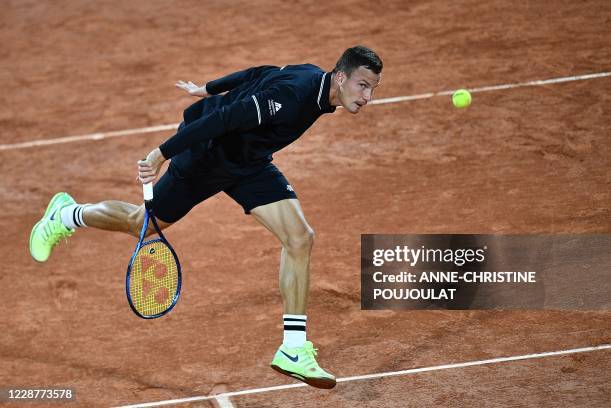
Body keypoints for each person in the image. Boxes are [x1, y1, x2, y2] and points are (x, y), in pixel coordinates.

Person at [29, 45, 383, 389]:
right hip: (206, 158)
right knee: (142, 225)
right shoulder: (293, 97)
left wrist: (208, 88)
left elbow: (259, 73)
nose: (366, 97)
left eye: (372, 89)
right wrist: (160, 153)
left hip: (249, 163)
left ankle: (292, 349)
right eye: (361, 85)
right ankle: (67, 214)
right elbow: (225, 118)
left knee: (300, 238)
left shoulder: (312, 79)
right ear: (340, 77)